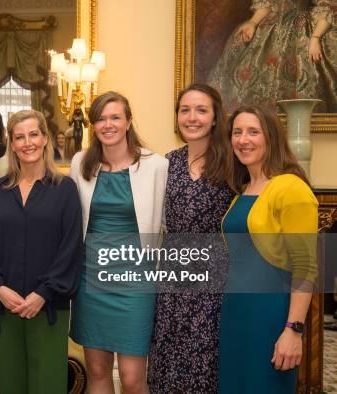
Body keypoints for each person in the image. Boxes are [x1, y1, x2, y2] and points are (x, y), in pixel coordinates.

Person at [0, 109, 83, 394]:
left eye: (33, 134)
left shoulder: (65, 188)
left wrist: (43, 293)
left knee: (47, 385)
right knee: (10, 385)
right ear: (11, 143)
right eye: (19, 137)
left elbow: (71, 248)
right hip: (5, 305)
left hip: (48, 306)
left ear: (45, 138)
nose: (27, 143)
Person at [69, 91, 168, 394]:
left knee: (131, 377)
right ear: (93, 125)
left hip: (135, 282)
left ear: (128, 121)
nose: (108, 124)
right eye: (100, 118)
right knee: (97, 370)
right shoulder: (80, 163)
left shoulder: (156, 165)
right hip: (91, 279)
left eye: (115, 117)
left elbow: (167, 222)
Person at [219, 105, 318, 393]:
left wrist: (293, 329)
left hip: (270, 316)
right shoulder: (243, 189)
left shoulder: (291, 188)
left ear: (271, 137)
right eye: (237, 132)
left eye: (253, 131)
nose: (243, 140)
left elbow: (306, 265)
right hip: (235, 315)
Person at [147, 83, 234, 394]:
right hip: (172, 276)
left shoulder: (233, 163)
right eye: (185, 110)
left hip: (216, 281)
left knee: (207, 362)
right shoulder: (166, 163)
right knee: (167, 363)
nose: (192, 117)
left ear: (215, 118)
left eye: (201, 110)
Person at [208, 0, 336, 113]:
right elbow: (268, 4)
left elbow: (326, 7)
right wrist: (253, 22)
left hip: (302, 34)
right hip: (270, 30)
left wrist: (315, 38)